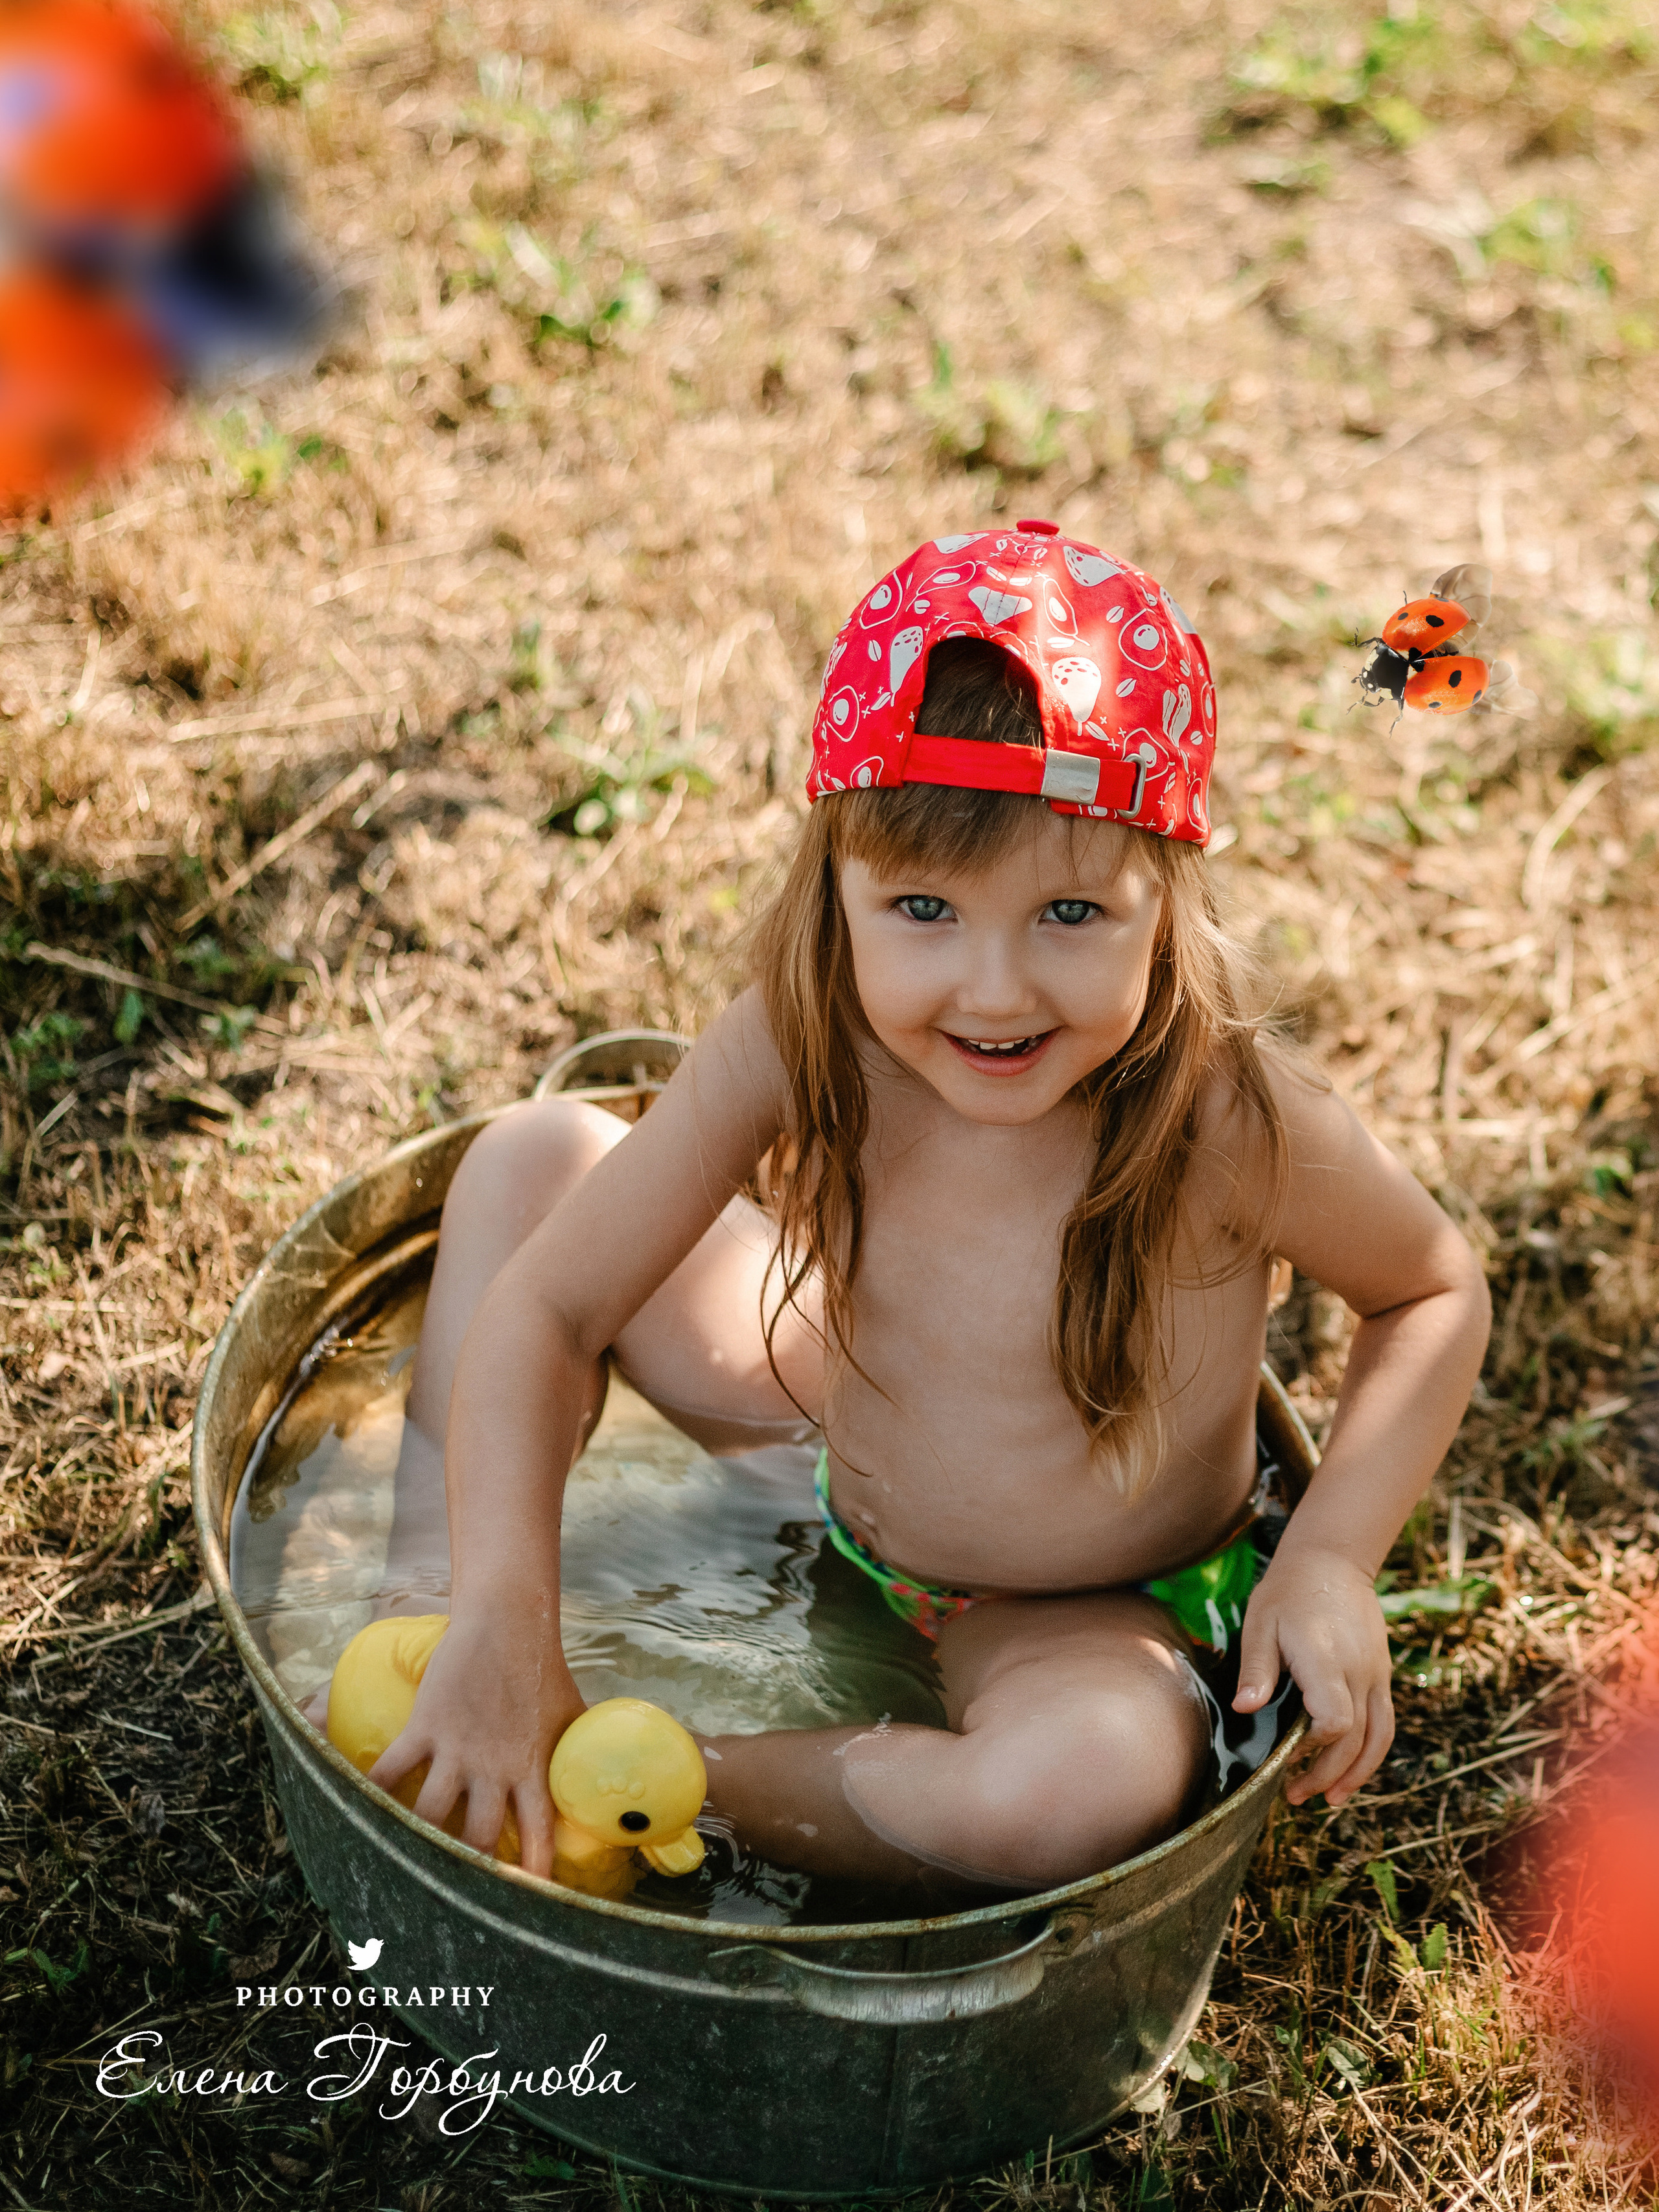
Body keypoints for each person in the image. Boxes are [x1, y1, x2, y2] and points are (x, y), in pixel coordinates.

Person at [365, 522, 1491, 1893]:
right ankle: (435, 1623)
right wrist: (505, 1606)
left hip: (1079, 1610)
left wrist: (1323, 1560)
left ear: (1165, 898)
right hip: (835, 1445)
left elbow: (1430, 1289)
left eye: (1070, 915)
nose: (994, 989)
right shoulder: (807, 1032)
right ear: (831, 883)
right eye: (921, 907)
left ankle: (653, 1776)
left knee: (1072, 1791)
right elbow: (554, 1304)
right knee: (534, 1158)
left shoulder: (1217, 1118)